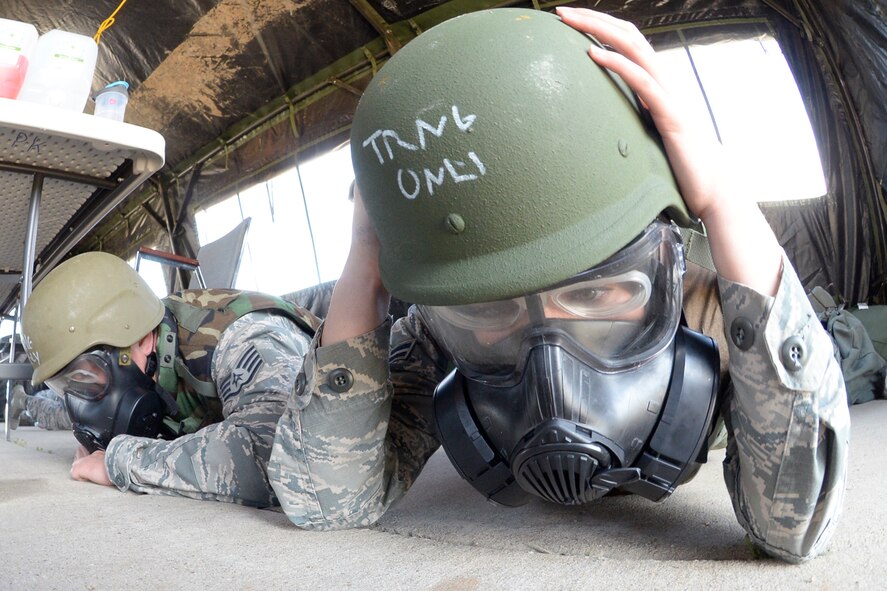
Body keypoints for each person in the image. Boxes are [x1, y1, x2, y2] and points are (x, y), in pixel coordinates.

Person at [267, 7, 849, 564]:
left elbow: (794, 528)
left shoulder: (711, 310)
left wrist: (722, 198)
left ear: (665, 262)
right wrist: (367, 256)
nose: (550, 369)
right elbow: (327, 500)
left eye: (596, 294)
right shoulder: (443, 331)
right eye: (494, 309)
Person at [21, 251, 319, 507]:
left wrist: (121, 461)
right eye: (65, 385)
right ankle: (25, 401)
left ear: (142, 340)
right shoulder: (142, 362)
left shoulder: (242, 339)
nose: (83, 397)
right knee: (53, 413)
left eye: (87, 376)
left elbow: (281, 455)